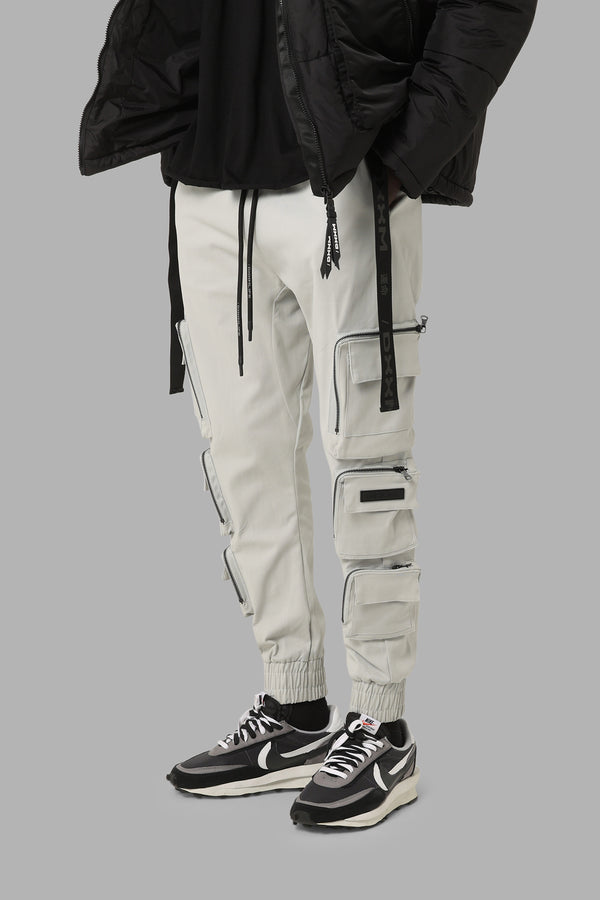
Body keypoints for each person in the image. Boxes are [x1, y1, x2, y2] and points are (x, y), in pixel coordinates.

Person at [78, 0, 537, 829]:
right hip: (208, 180)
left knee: (367, 460)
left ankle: (383, 725)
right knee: (241, 463)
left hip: (344, 172)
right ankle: (292, 708)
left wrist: (410, 152)